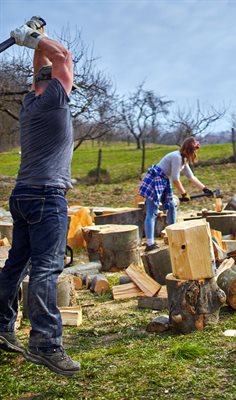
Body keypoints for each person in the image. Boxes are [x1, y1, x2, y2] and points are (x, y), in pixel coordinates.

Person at [0, 19, 80, 376]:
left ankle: (2, 326)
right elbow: (64, 55)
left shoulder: (33, 102)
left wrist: (35, 38)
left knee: (16, 264)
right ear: (60, 85)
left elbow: (44, 66)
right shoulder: (57, 101)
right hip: (47, 197)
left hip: (22, 196)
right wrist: (37, 40)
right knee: (47, 269)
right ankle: (45, 343)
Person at [139, 136, 213, 252]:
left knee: (172, 205)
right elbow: (175, 179)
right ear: (190, 150)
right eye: (194, 150)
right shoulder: (177, 157)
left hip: (164, 180)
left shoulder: (183, 159)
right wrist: (184, 194)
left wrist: (205, 189)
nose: (195, 153)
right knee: (152, 212)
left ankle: (172, 235)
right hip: (155, 180)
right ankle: (150, 243)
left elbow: (191, 177)